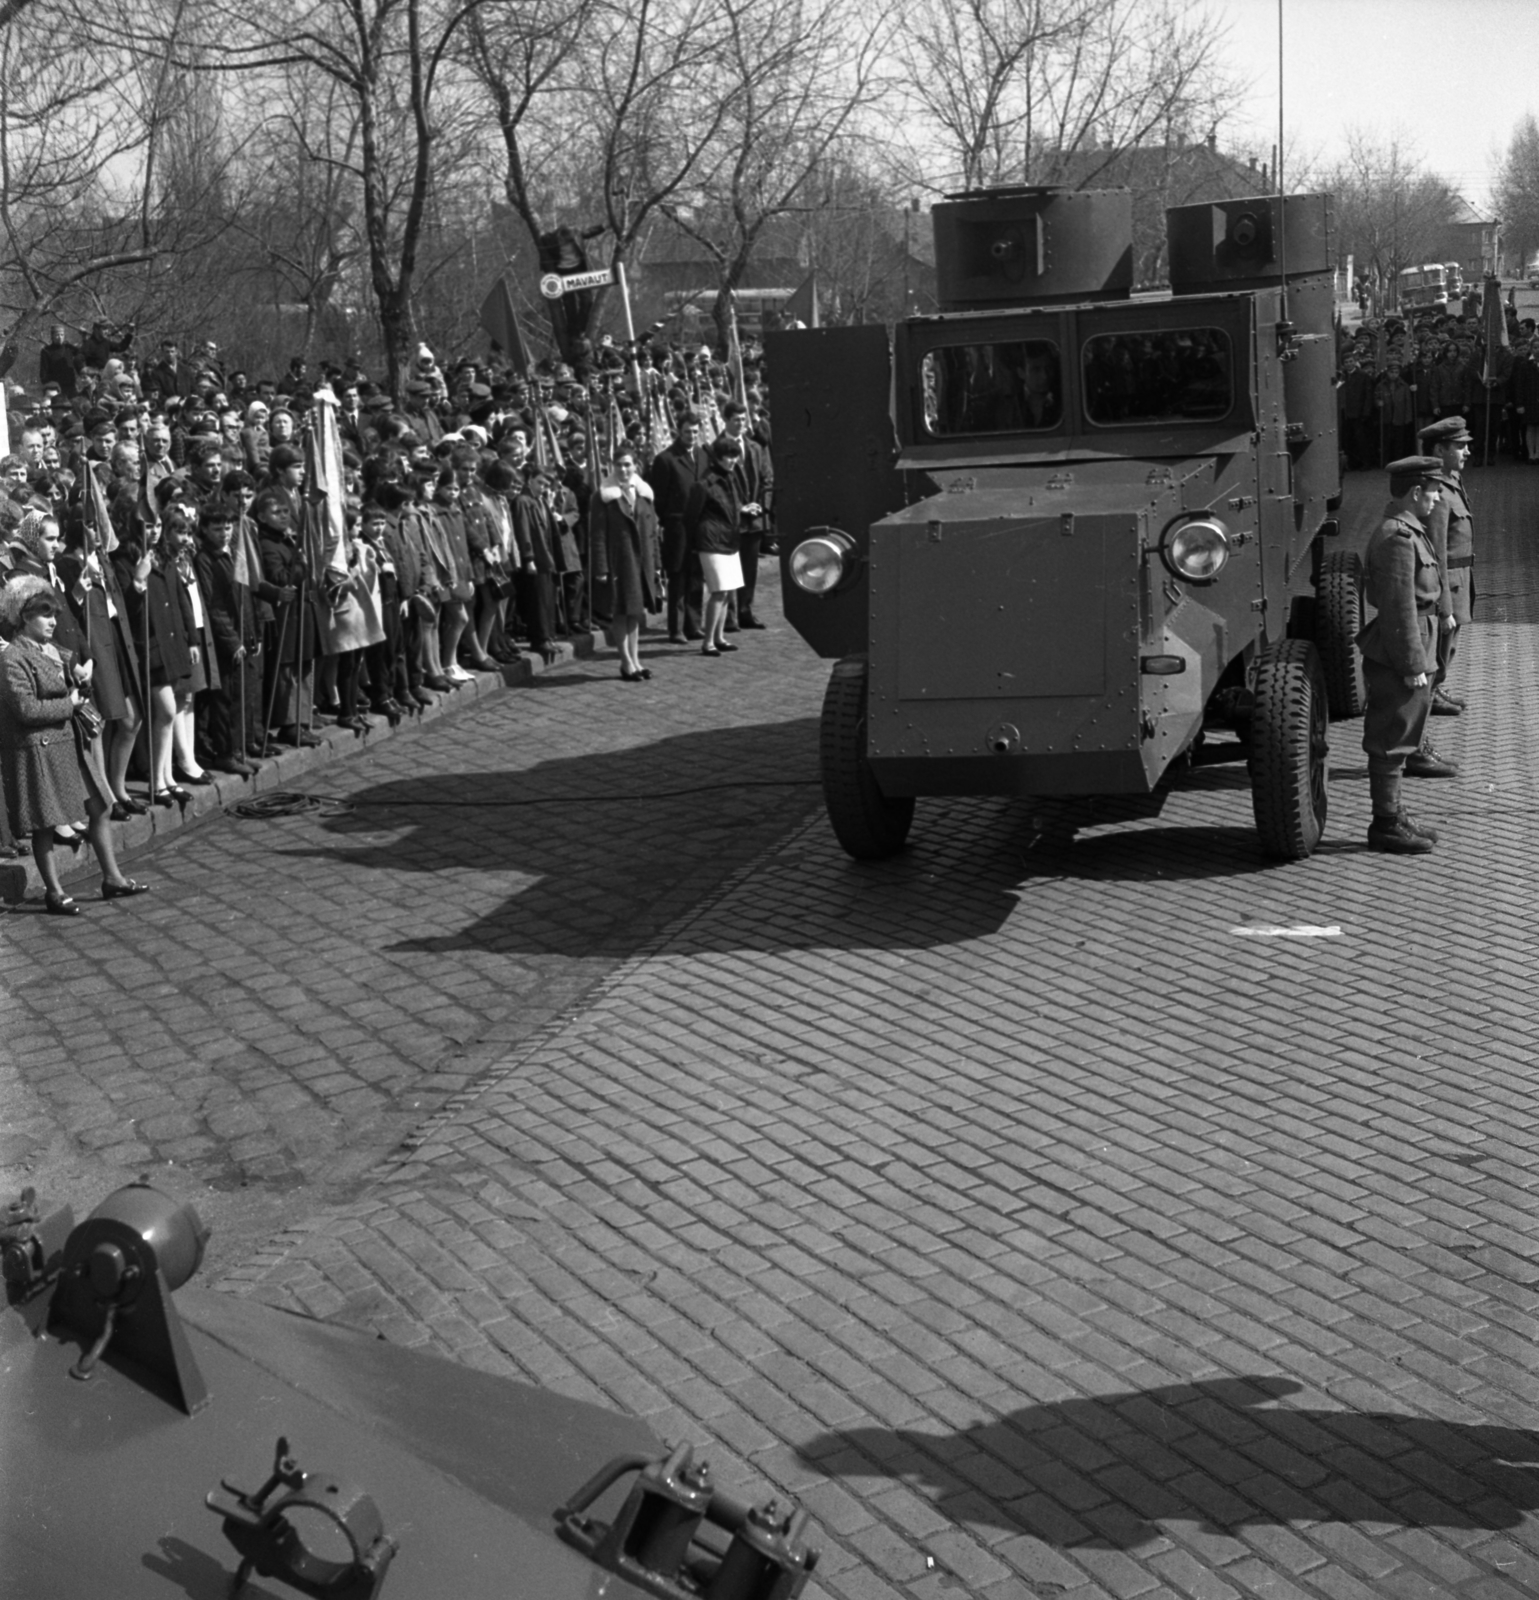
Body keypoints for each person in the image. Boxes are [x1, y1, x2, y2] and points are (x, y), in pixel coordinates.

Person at [0, 576, 149, 912]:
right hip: (39, 749)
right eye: (44, 615)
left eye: (53, 614)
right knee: (44, 824)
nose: (53, 622)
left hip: (68, 742)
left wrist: (80, 679)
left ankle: (112, 878)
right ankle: (54, 892)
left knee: (101, 805)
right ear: (24, 617)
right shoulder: (12, 658)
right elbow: (25, 710)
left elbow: (67, 683)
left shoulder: (53, 650)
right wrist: (72, 704)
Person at [1358, 456, 1448, 855]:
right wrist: (1412, 666)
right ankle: (1385, 823)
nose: (1436, 498)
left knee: (1402, 734)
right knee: (1391, 739)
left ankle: (1394, 813)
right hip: (1400, 648)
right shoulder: (1398, 536)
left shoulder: (1409, 529)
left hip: (1412, 642)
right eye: (1431, 491)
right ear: (1415, 493)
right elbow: (1397, 608)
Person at [1417, 415, 1473, 721]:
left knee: (1448, 646)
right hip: (1448, 580)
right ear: (1440, 450)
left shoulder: (1451, 482)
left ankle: (1437, 689)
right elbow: (1436, 551)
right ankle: (1431, 693)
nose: (1466, 452)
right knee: (1441, 645)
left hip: (1460, 577)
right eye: (1460, 446)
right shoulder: (1438, 491)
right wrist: (1445, 604)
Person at [590, 445, 660, 681]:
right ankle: (625, 662)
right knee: (621, 611)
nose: (623, 469)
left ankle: (636, 660)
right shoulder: (603, 496)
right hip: (619, 561)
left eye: (628, 464)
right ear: (612, 466)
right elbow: (597, 534)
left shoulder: (644, 494)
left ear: (635, 466)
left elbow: (652, 531)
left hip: (641, 562)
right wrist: (601, 567)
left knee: (635, 612)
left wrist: (656, 563)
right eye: (619, 464)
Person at [685, 436, 745, 657]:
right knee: (718, 591)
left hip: (729, 539)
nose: (733, 461)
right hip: (711, 541)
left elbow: (732, 507)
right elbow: (691, 515)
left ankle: (719, 637)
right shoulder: (705, 483)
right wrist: (694, 543)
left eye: (735, 456)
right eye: (729, 456)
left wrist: (745, 510)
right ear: (718, 457)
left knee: (728, 591)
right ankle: (708, 641)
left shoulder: (729, 478)